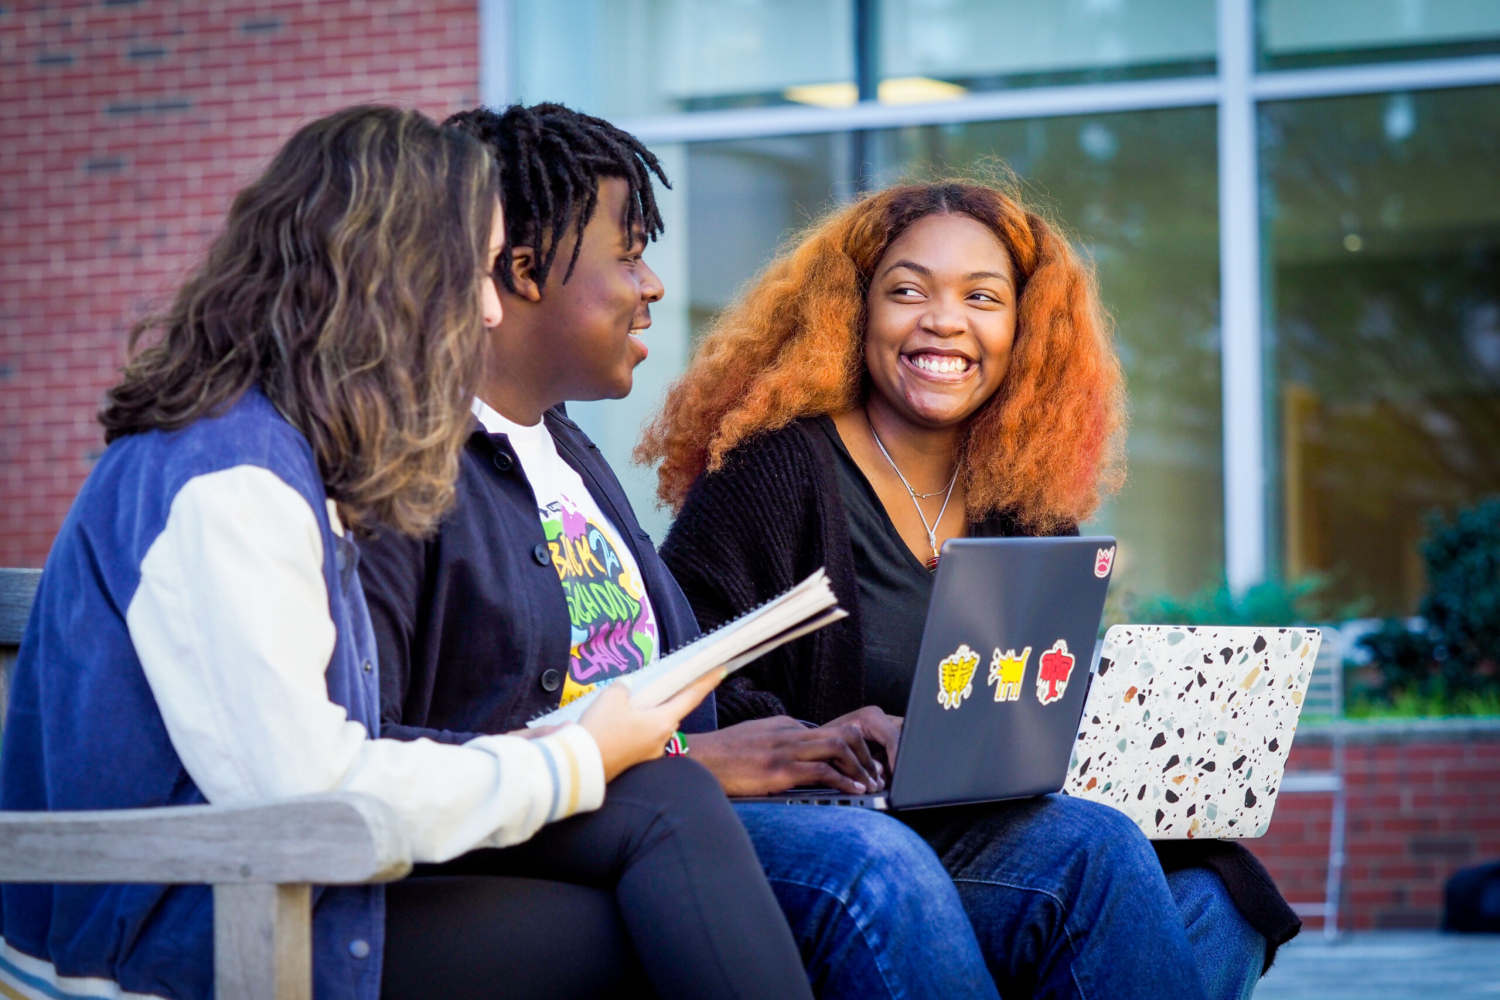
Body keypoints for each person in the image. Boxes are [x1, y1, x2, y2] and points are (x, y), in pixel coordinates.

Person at [0, 105, 814, 1000]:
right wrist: (574, 756)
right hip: (174, 925)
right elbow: (307, 794)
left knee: (674, 816)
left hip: (270, 887)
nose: (491, 307)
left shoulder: (292, 456)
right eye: (475, 273)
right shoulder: (224, 477)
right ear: (392, 278)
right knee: (652, 930)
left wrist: (591, 745)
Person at [360, 102, 1005, 1000]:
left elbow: (668, 689)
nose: (653, 283)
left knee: (1106, 860)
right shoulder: (399, 471)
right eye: (627, 254)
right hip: (565, 839)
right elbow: (381, 753)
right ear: (520, 269)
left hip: (680, 815)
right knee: (873, 870)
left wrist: (792, 743)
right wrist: (687, 766)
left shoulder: (570, 453)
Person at [642, 180, 1301, 1000]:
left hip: (987, 831)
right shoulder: (775, 469)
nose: (944, 320)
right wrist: (830, 736)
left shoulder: (1023, 497)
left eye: (981, 298)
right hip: (838, 831)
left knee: (1216, 899)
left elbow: (1032, 697)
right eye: (907, 290)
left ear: (1023, 329)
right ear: (853, 313)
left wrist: (1133, 739)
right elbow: (675, 688)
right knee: (1090, 854)